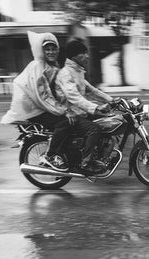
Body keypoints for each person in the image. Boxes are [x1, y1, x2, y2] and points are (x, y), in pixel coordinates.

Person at [0, 31, 76, 172]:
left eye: (54, 48)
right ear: (42, 51)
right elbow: (43, 96)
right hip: (34, 108)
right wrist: (65, 110)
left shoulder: (52, 65)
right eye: (47, 49)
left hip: (40, 105)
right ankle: (51, 155)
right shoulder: (38, 67)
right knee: (64, 122)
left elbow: (57, 91)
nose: (51, 52)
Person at [55, 39, 114, 175]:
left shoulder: (78, 71)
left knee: (109, 119)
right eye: (83, 53)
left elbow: (92, 90)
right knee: (94, 129)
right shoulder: (66, 73)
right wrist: (96, 108)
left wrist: (112, 100)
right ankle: (85, 163)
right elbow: (74, 97)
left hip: (80, 111)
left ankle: (100, 153)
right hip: (70, 114)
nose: (87, 56)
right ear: (74, 56)